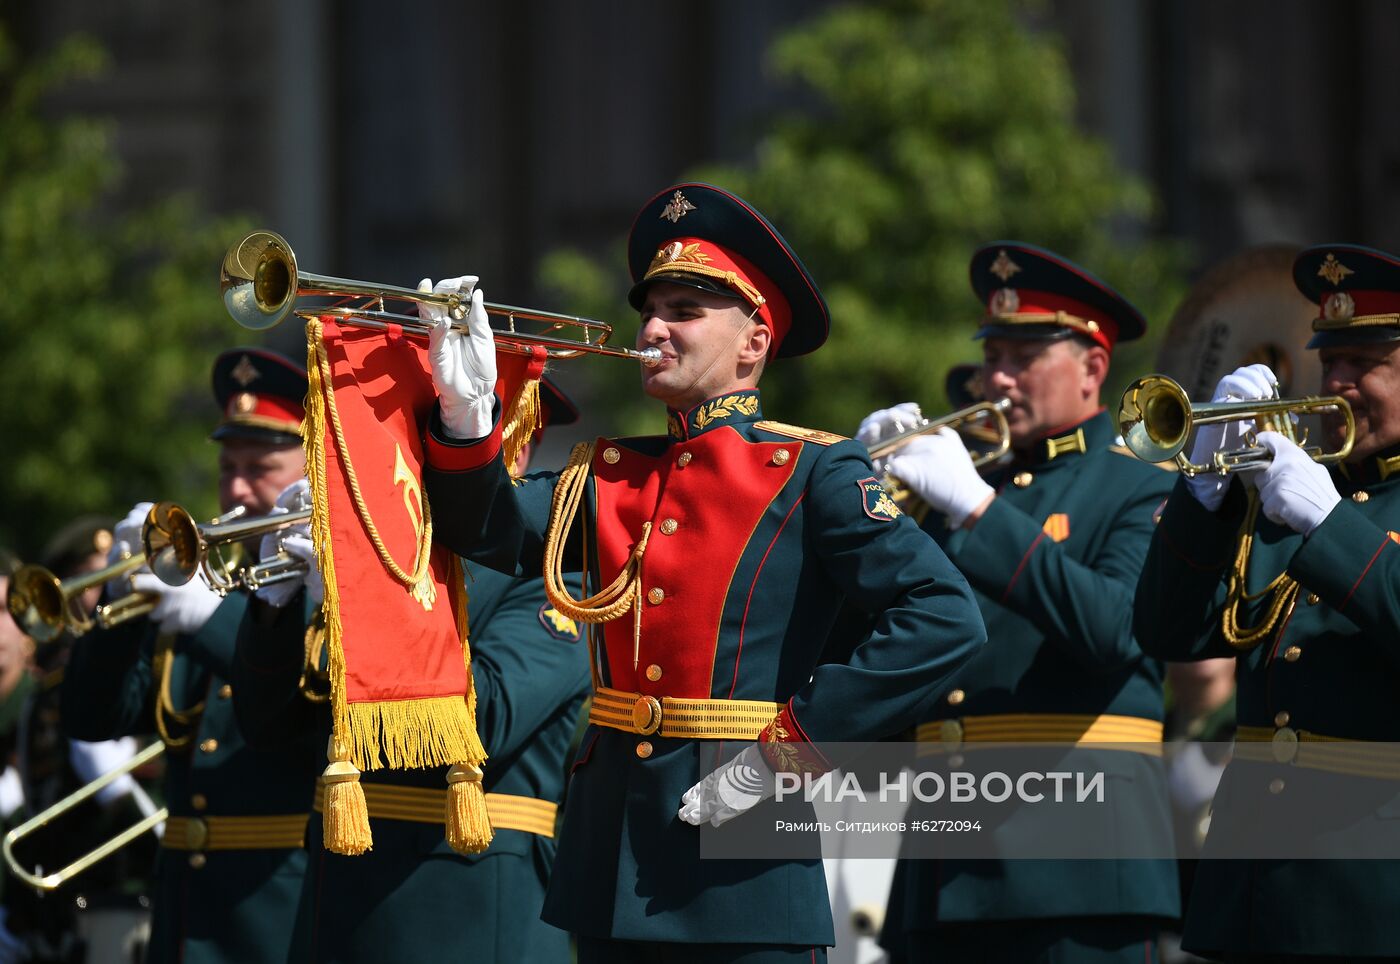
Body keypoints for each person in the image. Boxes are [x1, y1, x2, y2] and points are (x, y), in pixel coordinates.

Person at [419, 182, 985, 962]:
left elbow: (944, 618)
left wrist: (787, 754)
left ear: (754, 342)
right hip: (610, 858)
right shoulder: (609, 471)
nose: (653, 327)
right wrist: (463, 415)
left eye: (685, 311)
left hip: (744, 859)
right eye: (652, 308)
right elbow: (485, 528)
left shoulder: (812, 469)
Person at [863, 243, 1180, 962]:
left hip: (1078, 871)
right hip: (940, 866)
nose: (997, 378)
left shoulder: (1140, 483)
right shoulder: (958, 484)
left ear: (1093, 369)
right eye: (992, 355)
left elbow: (1117, 629)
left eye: (1023, 357)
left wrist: (976, 508)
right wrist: (857, 515)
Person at [231, 375, 591, 963]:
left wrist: (367, 609)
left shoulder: (554, 574)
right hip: (337, 897)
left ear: (516, 446)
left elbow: (488, 721)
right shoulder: (375, 555)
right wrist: (272, 611)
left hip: (465, 908)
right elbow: (269, 729)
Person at [1134, 243, 1400, 961]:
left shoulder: (1315, 502)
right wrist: (1205, 497)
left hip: (1374, 894)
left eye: (1365, 363)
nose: (1337, 382)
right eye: (1330, 360)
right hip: (1253, 891)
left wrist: (1329, 525)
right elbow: (1166, 631)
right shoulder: (1299, 488)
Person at [61, 348, 322, 964]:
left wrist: (213, 620)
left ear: (315, 466)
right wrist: (117, 600)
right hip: (185, 916)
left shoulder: (334, 588)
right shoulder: (212, 576)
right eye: (227, 465)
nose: (235, 487)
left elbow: (306, 711)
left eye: (260, 467)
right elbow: (94, 716)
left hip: (284, 912)